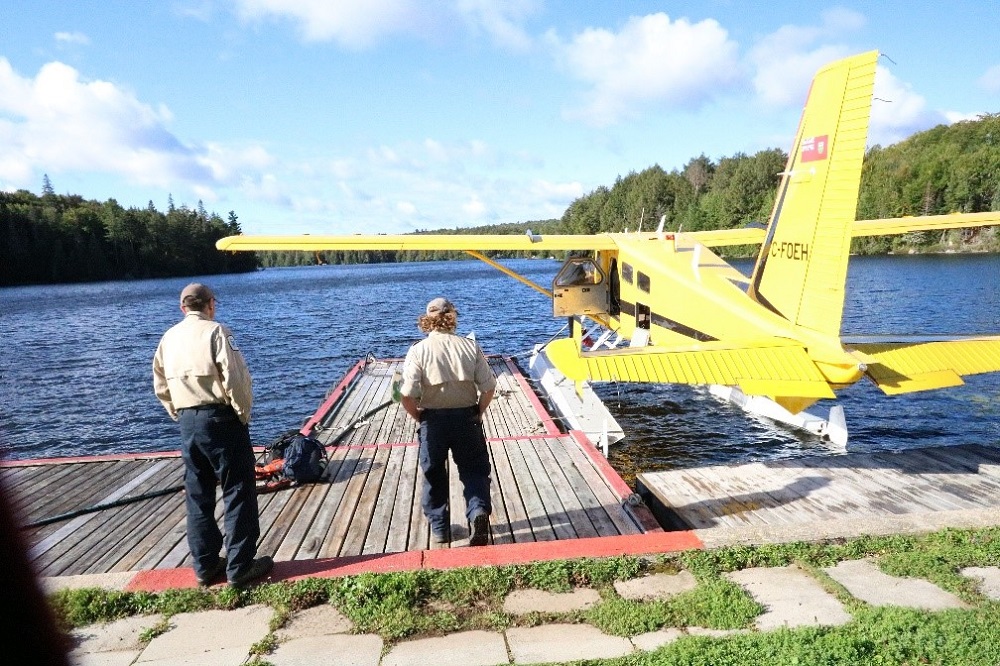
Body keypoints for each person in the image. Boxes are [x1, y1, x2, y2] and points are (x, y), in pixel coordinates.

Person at [152, 283, 272, 587]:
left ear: (182, 308)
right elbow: (235, 378)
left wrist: (178, 413)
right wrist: (242, 415)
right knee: (237, 490)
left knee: (198, 494)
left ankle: (205, 565)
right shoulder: (217, 332)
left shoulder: (168, 338)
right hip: (220, 420)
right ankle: (240, 566)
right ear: (211, 305)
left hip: (188, 422)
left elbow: (160, 384)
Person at [399, 297, 497, 546]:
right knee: (474, 470)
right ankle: (478, 512)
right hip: (466, 417)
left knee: (434, 473)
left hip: (433, 422)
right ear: (453, 317)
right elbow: (489, 387)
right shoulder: (469, 347)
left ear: (427, 320)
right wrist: (479, 412)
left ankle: (440, 528)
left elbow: (406, 395)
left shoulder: (418, 350)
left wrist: (419, 417)